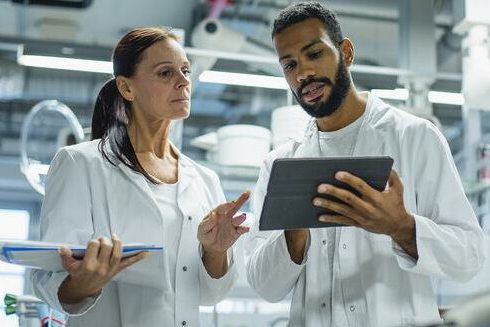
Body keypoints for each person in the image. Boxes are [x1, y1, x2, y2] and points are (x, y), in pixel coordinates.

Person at [245, 2, 486, 327]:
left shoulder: (415, 137)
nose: (302, 74)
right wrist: (294, 233)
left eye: (314, 54)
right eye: (289, 65)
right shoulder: (280, 165)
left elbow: (469, 257)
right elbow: (265, 286)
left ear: (345, 52)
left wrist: (401, 226)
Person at [31, 27, 250, 327]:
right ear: (127, 88)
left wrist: (215, 251)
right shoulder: (80, 163)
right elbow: (50, 280)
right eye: (165, 73)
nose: (184, 80)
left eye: (185, 70)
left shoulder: (204, 179)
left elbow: (210, 295)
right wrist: (85, 282)